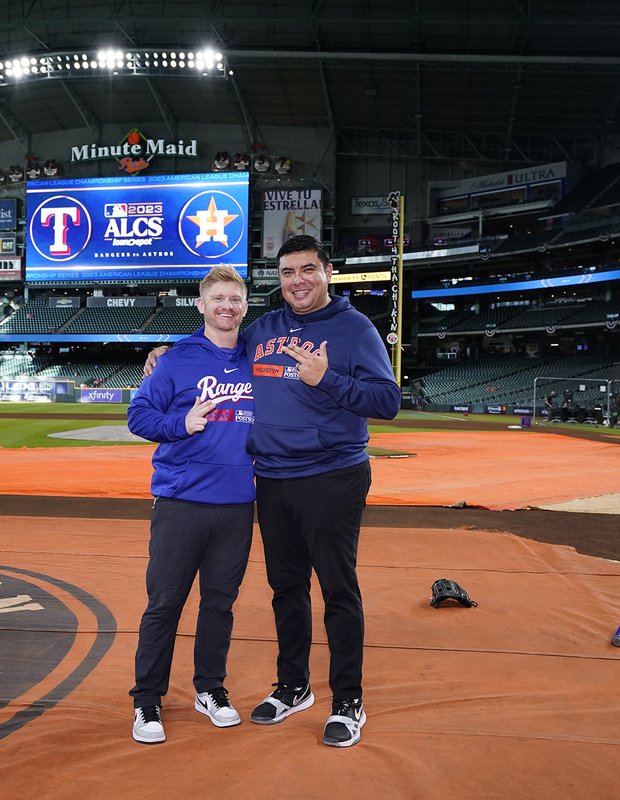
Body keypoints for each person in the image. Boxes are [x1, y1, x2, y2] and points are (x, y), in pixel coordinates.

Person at [145, 235, 401, 748]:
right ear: (278, 279)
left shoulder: (354, 329)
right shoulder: (263, 329)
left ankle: (348, 699)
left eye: (308, 269)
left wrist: (328, 379)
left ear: (327, 272)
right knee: (286, 589)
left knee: (337, 589)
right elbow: (218, 347)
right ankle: (294, 686)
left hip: (332, 475)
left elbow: (387, 401)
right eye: (287, 272)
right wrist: (165, 356)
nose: (298, 280)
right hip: (273, 479)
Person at [126, 265, 256, 745]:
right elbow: (138, 415)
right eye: (217, 298)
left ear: (245, 306)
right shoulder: (176, 360)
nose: (227, 306)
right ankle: (147, 700)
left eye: (235, 299)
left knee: (220, 604)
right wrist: (182, 424)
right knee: (164, 605)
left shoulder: (256, 358)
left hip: (239, 503)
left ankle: (210, 689)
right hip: (181, 501)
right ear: (201, 305)